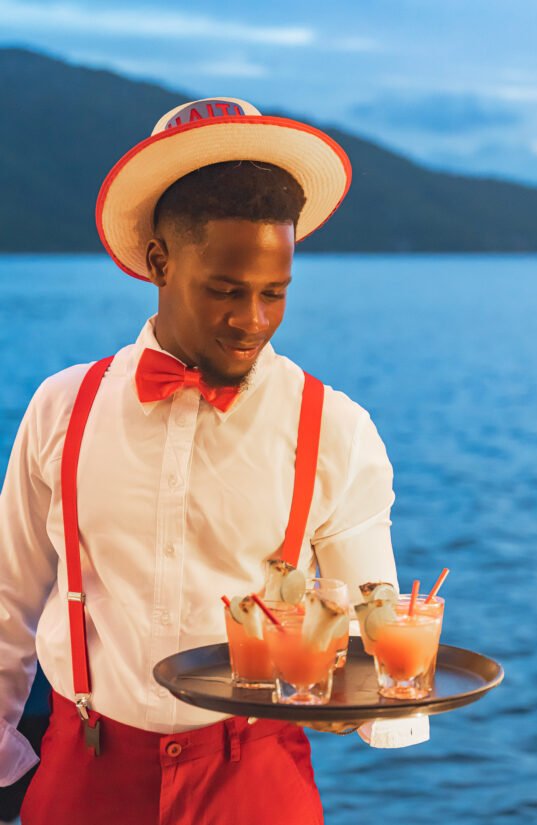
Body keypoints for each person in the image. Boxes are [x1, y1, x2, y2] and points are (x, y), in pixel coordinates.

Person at [0, 98, 400, 824]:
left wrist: (362, 702)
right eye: (224, 290)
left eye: (273, 293)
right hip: (83, 770)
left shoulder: (337, 428)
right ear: (159, 261)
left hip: (258, 782)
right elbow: (7, 601)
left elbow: (370, 621)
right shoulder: (61, 408)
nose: (252, 320)